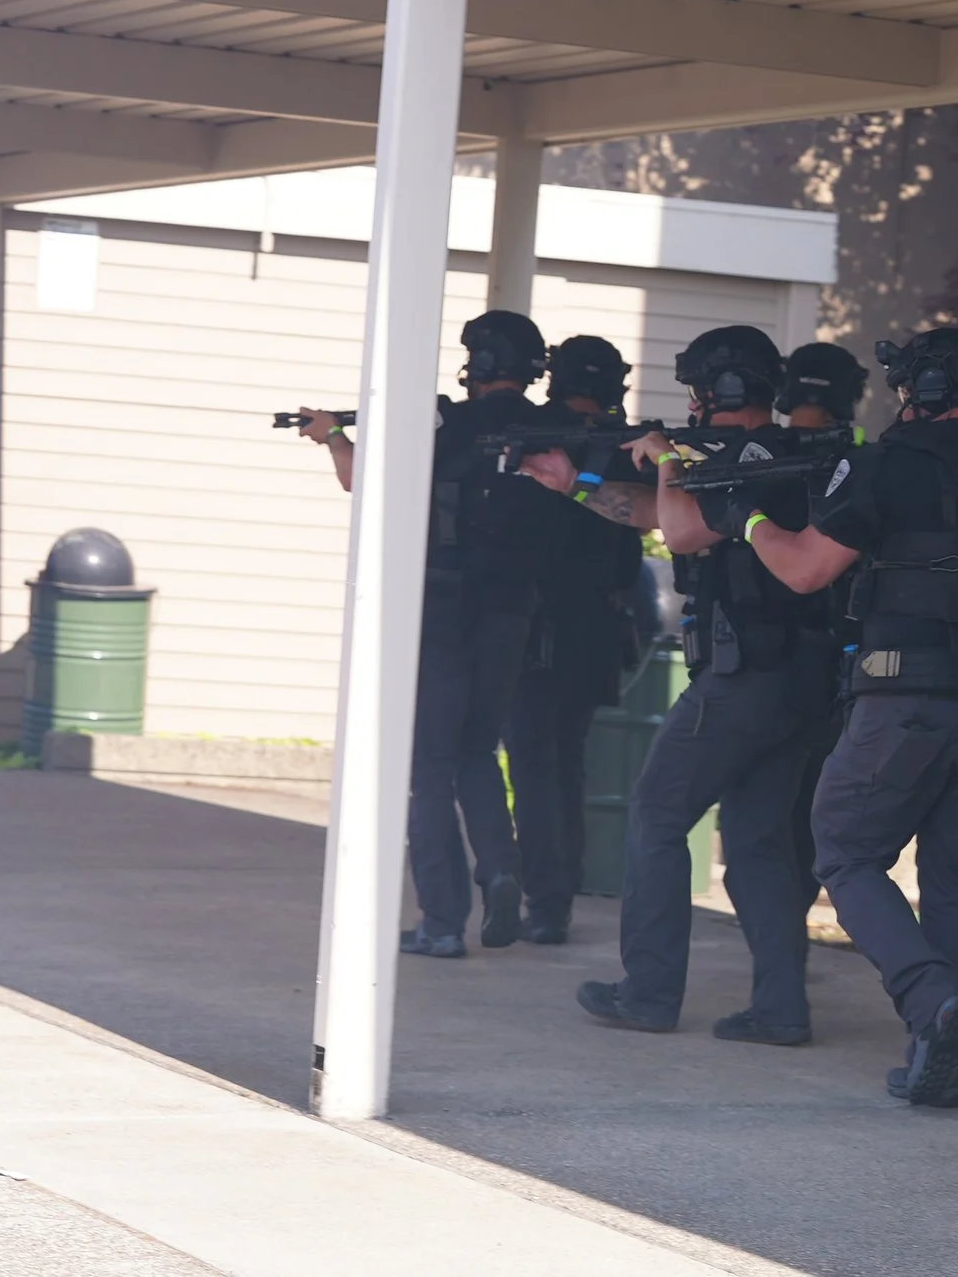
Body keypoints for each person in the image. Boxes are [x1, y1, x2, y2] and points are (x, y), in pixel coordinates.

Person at [745, 327, 958, 1107]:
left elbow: (806, 570)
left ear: (926, 392)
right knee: (950, 876)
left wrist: (748, 518)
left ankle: (929, 1001)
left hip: (906, 702)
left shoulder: (889, 463)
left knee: (845, 852)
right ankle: (938, 1059)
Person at [577, 326, 840, 1042]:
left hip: (743, 677)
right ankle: (781, 1009)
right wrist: (572, 481)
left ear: (712, 390)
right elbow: (663, 519)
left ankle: (650, 993)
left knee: (656, 818)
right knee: (756, 843)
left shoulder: (740, 460)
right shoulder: (796, 455)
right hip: (797, 684)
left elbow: (686, 535)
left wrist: (665, 460)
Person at [297, 310, 587, 957]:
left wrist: (334, 438)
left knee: (429, 763)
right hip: (513, 611)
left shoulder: (443, 425)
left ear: (477, 365)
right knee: (478, 752)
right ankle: (501, 870)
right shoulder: (550, 430)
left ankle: (443, 921)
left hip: (440, 610)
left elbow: (361, 481)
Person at [507, 334, 649, 945]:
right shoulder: (624, 448)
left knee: (537, 766)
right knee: (567, 763)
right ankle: (553, 895)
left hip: (536, 626)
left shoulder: (529, 436)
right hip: (595, 627)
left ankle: (545, 898)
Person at [772, 341, 871, 914]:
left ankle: (779, 952)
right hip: (840, 661)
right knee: (811, 807)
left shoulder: (757, 454)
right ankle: (789, 935)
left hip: (768, 660)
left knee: (767, 814)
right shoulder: (865, 461)